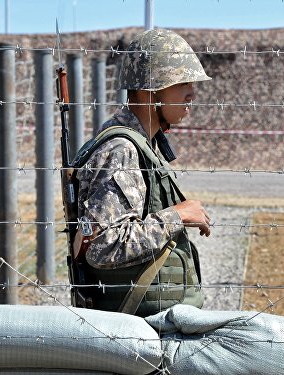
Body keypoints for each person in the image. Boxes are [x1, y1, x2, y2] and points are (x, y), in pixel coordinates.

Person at [71, 28, 212, 317]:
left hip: (149, 320)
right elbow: (103, 246)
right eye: (181, 82)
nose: (191, 93)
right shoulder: (121, 150)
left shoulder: (142, 143)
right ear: (151, 91)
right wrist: (179, 215)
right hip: (138, 329)